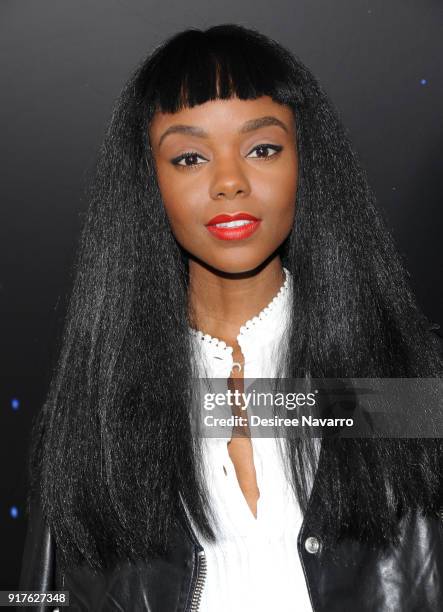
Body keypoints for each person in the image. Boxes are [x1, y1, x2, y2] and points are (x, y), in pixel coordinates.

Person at [18, 24, 443, 612]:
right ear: (150, 183)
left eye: (262, 148)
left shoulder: (407, 385)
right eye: (190, 156)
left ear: (305, 161)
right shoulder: (97, 415)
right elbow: (40, 598)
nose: (230, 183)